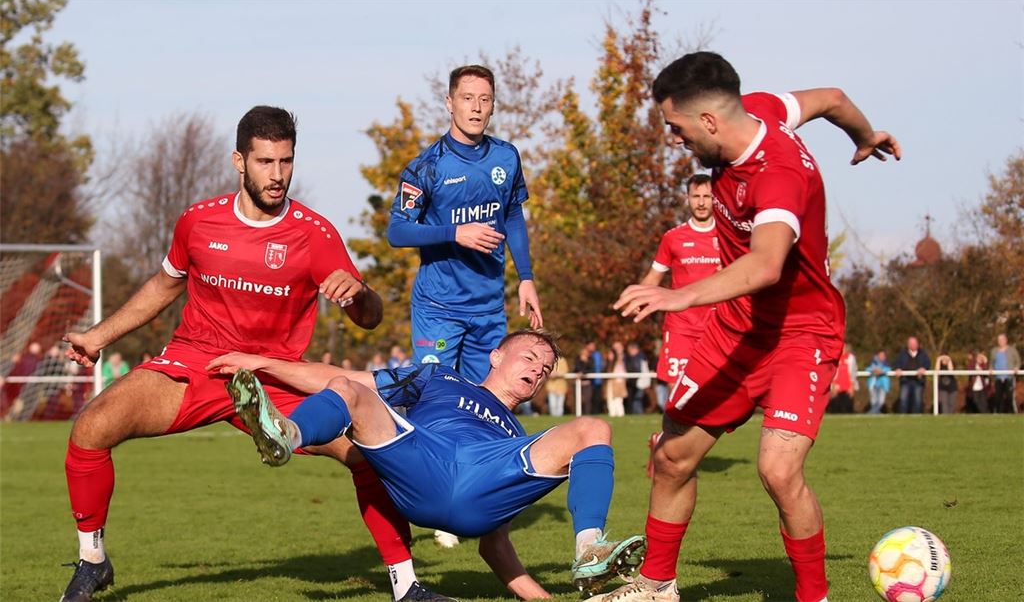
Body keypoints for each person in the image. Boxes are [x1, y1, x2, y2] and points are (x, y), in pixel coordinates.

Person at [60, 106, 449, 602]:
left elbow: (369, 315)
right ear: (238, 162)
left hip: (275, 376)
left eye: (286, 162)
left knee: (367, 452)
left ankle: (407, 586)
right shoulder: (198, 223)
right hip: (197, 363)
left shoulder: (315, 234)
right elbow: (165, 285)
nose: (278, 175)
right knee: (91, 428)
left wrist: (360, 293)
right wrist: (98, 337)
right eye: (265, 162)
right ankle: (93, 560)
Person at [604, 51, 900, 602]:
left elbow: (766, 265)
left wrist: (677, 296)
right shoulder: (760, 110)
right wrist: (865, 136)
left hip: (802, 334)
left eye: (677, 127)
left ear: (710, 121)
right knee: (671, 457)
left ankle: (814, 596)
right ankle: (656, 585)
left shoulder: (778, 175)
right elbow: (832, 97)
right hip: (736, 331)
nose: (674, 138)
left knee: (779, 472)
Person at [210, 329, 646, 598]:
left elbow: (495, 546)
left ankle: (589, 550)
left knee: (593, 427)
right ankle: (287, 435)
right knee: (347, 386)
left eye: (546, 369)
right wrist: (263, 364)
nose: (537, 371)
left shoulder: (518, 436)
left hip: (485, 474)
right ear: (496, 355)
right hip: (424, 461)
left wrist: (541, 600)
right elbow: (332, 378)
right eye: (530, 357)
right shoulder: (439, 376)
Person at [387, 64, 543, 384]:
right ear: (449, 103)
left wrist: (526, 277)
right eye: (467, 98)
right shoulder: (427, 167)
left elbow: (512, 215)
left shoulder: (506, 157)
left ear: (493, 106)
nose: (476, 107)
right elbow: (397, 230)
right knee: (433, 394)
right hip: (439, 309)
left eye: (484, 99)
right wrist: (456, 233)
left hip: (489, 309)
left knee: (484, 403)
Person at [637, 173, 721, 396]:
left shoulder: (727, 236)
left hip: (717, 325)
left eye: (707, 196)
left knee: (712, 392)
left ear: (715, 198)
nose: (701, 202)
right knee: (678, 393)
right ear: (688, 198)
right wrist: (639, 298)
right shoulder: (673, 237)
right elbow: (654, 277)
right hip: (681, 326)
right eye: (696, 196)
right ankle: (673, 432)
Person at [894, 336, 930, 414]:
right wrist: (898, 368)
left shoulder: (923, 354)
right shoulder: (902, 354)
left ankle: (916, 417)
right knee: (903, 399)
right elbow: (897, 364)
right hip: (905, 381)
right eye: (911, 343)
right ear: (908, 344)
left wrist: (923, 368)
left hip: (918, 381)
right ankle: (902, 417)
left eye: (915, 343)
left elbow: (927, 363)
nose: (913, 345)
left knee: (918, 400)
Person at [989, 334, 1020, 413]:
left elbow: (1018, 361)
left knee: (1010, 397)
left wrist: (1016, 367)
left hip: (1009, 377)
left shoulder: (1012, 350)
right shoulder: (994, 351)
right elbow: (991, 363)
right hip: (998, 378)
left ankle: (1012, 413)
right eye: (999, 340)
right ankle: (998, 413)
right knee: (998, 397)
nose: (1000, 341)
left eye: (1002, 340)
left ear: (1006, 340)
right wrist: (991, 368)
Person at [827, 344, 857, 414]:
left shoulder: (851, 358)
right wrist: (833, 385)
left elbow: (853, 372)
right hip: (837, 384)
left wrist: (852, 386)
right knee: (836, 402)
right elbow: (832, 371)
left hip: (848, 383)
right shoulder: (835, 358)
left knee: (847, 403)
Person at [624, 341, 650, 415]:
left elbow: (639, 369)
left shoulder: (640, 357)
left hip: (639, 381)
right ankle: (635, 413)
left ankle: (639, 413)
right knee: (633, 399)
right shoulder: (629, 358)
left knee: (637, 399)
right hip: (633, 382)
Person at [607, 342, 628, 417]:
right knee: (611, 399)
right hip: (612, 382)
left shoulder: (619, 362)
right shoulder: (610, 364)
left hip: (618, 382)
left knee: (618, 399)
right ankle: (612, 413)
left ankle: (620, 414)